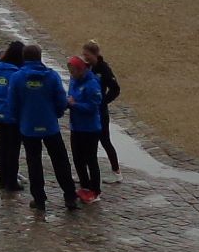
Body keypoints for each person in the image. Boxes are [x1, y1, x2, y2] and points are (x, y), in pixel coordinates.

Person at [10, 43, 78, 213]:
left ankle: (39, 198)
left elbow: (12, 104)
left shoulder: (17, 78)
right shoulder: (52, 76)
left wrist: (20, 119)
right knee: (61, 161)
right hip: (50, 126)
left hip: (28, 127)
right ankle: (70, 195)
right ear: (40, 57)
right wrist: (56, 114)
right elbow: (61, 100)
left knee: (34, 163)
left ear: (24, 58)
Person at [0, 40, 27, 193]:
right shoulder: (17, 73)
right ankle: (11, 182)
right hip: (12, 114)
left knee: (2, 147)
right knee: (13, 148)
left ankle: (3, 179)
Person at [65, 56, 106, 204]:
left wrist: (74, 104)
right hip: (76, 127)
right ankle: (85, 185)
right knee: (77, 159)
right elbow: (69, 97)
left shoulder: (92, 84)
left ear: (81, 69)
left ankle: (95, 190)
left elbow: (93, 107)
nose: (71, 73)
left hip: (90, 129)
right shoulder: (74, 81)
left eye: (73, 70)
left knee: (91, 159)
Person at [82, 41, 122, 181]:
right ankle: (84, 171)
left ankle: (116, 171)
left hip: (100, 112)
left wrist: (103, 101)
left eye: (86, 55)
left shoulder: (104, 69)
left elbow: (115, 89)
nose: (84, 57)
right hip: (88, 110)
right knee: (86, 141)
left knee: (104, 140)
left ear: (94, 54)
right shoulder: (87, 67)